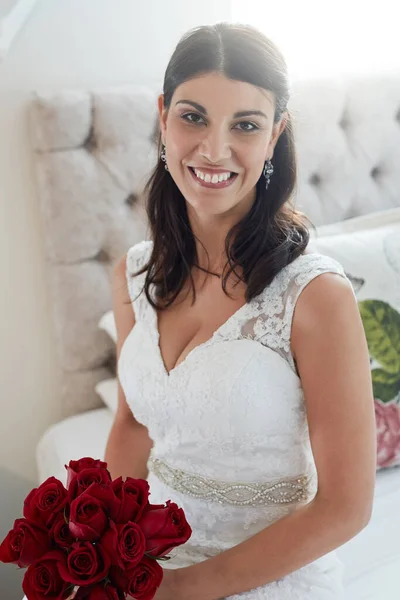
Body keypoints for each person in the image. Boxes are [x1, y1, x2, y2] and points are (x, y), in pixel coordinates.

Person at [105, 22, 376, 600]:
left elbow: (345, 507)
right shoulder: (133, 273)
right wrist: (103, 549)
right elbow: (131, 426)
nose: (213, 150)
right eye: (193, 117)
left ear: (275, 133)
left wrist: (180, 590)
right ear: (162, 117)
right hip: (147, 557)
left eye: (246, 125)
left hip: (269, 575)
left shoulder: (315, 297)